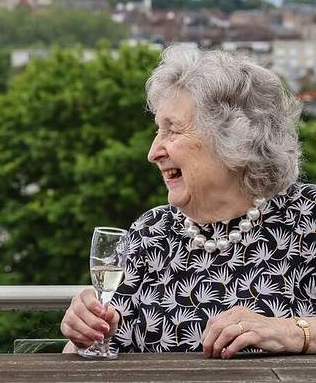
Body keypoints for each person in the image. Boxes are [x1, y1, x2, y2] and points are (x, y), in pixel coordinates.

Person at [61, 46, 316, 358]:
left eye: (172, 130)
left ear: (234, 139)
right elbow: (89, 357)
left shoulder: (308, 217)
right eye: (158, 130)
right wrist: (83, 335)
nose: (153, 153)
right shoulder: (151, 233)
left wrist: (294, 332)